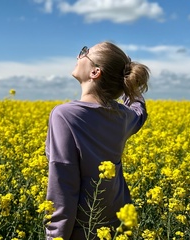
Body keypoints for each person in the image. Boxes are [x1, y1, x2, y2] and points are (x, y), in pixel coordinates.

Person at [44, 41, 150, 240]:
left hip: (82, 231)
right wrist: (133, 91)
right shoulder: (122, 116)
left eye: (84, 52)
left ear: (95, 72)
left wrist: (54, 237)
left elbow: (63, 186)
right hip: (119, 227)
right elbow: (139, 113)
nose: (78, 56)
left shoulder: (65, 116)